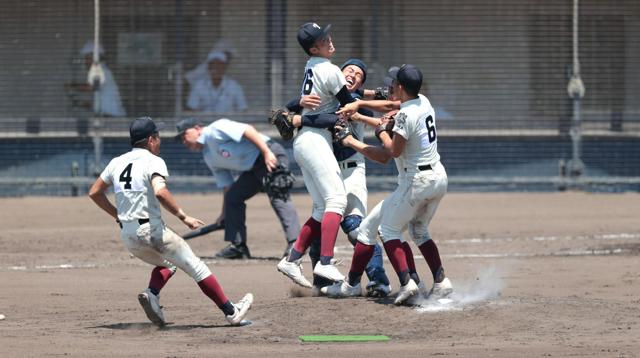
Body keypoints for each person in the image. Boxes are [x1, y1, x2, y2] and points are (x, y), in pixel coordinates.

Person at [88, 116, 253, 326]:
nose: (159, 140)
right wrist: (184, 216)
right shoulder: (153, 161)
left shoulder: (116, 162)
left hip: (128, 236)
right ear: (150, 140)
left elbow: (94, 192)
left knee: (169, 263)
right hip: (151, 231)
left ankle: (152, 294)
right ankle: (232, 312)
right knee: (197, 267)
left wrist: (118, 215)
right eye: (157, 136)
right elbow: (160, 191)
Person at [322, 64, 454, 305]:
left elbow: (389, 152)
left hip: (416, 182)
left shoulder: (406, 114)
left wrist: (357, 139)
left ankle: (408, 283)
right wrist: (360, 111)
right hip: (437, 177)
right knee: (387, 229)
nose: (389, 86)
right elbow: (391, 111)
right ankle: (440, 282)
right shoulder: (422, 101)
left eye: (393, 83)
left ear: (401, 88)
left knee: (387, 231)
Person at [281, 59, 391, 297]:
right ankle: (321, 281)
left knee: (355, 227)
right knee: (321, 223)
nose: (353, 75)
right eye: (349, 70)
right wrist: (298, 103)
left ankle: (378, 281)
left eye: (359, 74)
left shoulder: (355, 104)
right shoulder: (326, 96)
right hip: (326, 168)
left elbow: (355, 101)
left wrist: (299, 119)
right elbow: (287, 109)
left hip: (351, 169)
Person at [275, 22, 357, 287]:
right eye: (323, 39)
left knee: (323, 208)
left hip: (305, 143)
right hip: (314, 141)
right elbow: (349, 106)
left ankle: (291, 259)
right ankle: (325, 262)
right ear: (313, 48)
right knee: (337, 201)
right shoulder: (330, 69)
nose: (329, 40)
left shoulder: (310, 66)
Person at [176, 117, 300, 259]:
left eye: (184, 135)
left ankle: (296, 244)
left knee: (277, 195)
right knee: (233, 197)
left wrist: (266, 152)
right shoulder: (209, 156)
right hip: (253, 169)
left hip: (269, 154)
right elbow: (227, 185)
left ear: (197, 128)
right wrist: (224, 214)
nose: (183, 141)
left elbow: (248, 129)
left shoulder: (215, 129)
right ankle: (238, 247)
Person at [65, 41, 126, 117]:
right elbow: (98, 100)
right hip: (108, 116)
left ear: (94, 57)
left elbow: (90, 87)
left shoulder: (100, 70)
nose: (85, 61)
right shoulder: (99, 70)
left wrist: (72, 87)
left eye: (87, 58)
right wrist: (80, 103)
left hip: (112, 117)